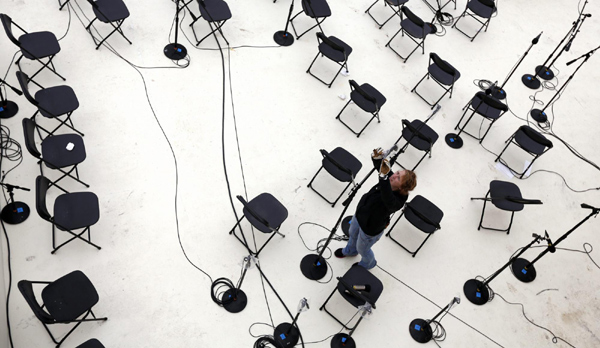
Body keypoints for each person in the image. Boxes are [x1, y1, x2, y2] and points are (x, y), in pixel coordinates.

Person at [335, 148, 417, 269]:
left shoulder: (397, 201)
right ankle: (350, 251)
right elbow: (382, 169)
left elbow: (387, 195)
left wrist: (383, 177)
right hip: (360, 214)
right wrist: (377, 157)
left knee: (362, 249)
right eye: (398, 173)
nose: (394, 176)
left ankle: (369, 263)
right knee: (352, 234)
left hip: (370, 229)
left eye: (398, 178)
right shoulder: (389, 178)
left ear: (402, 188)